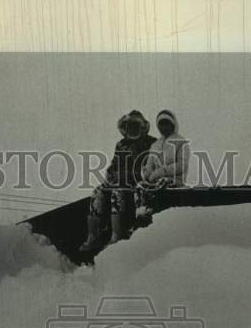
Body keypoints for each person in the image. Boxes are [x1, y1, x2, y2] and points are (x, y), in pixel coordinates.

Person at [78, 110, 156, 255]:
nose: (132, 129)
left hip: (141, 184)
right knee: (98, 192)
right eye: (128, 126)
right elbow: (114, 165)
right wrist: (111, 174)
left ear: (142, 127)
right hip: (122, 181)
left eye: (135, 125)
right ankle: (94, 236)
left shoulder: (152, 143)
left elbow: (150, 169)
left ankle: (117, 235)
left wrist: (127, 176)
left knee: (117, 193)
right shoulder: (121, 145)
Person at [135, 109, 190, 224]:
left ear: (173, 124)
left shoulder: (181, 142)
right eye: (161, 123)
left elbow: (182, 165)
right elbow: (150, 163)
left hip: (175, 181)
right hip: (156, 180)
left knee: (161, 186)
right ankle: (142, 214)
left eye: (166, 123)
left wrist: (162, 171)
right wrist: (146, 172)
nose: (163, 127)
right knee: (141, 186)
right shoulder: (155, 145)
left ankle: (154, 214)